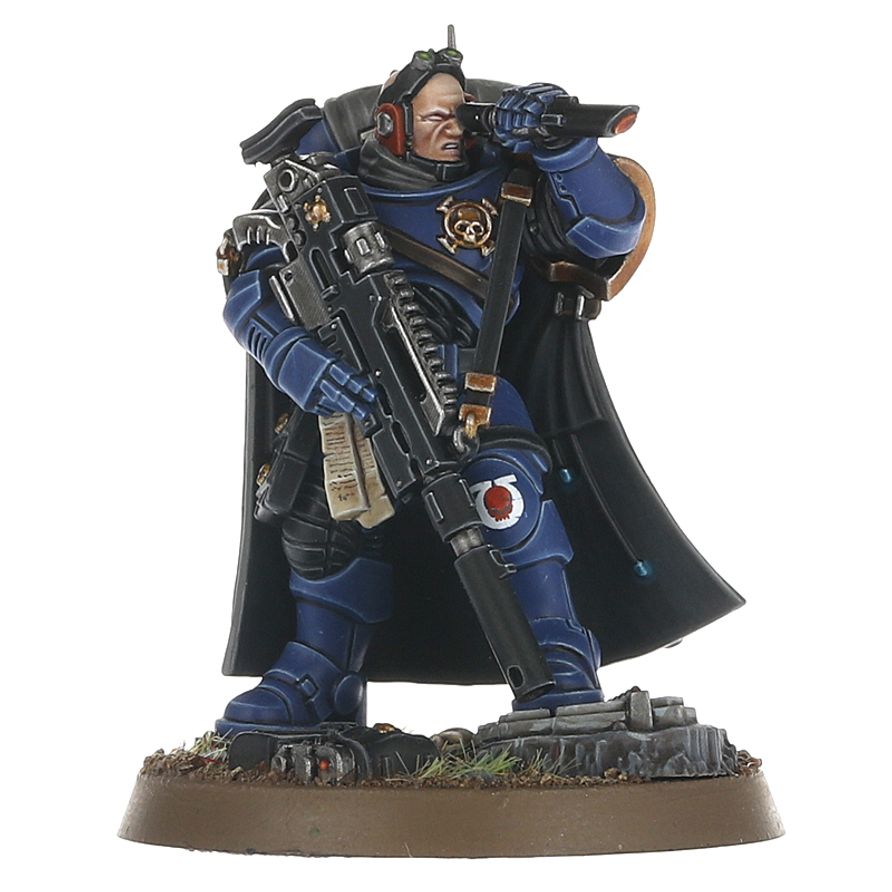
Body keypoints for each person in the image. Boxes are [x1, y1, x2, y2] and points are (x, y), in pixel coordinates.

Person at [214, 41, 742, 737]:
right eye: (437, 115)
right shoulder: (319, 189)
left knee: (504, 499)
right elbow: (248, 284)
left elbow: (611, 228)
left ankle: (556, 661)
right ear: (391, 121)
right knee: (325, 519)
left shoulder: (504, 187)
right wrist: (297, 361)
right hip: (346, 390)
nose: (454, 127)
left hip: (467, 386)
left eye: (462, 113)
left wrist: (564, 150)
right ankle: (322, 670)